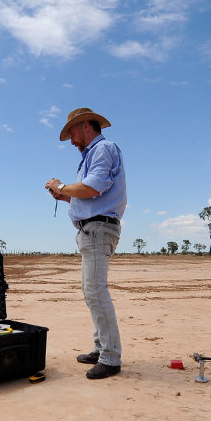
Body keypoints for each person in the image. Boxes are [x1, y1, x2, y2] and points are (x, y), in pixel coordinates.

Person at [45, 108, 127, 379]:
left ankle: (110, 358)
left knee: (95, 292)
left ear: (85, 127)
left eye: (71, 133)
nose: (71, 140)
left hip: (98, 229)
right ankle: (101, 347)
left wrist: (62, 186)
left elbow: (92, 188)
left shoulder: (103, 149)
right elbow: (93, 196)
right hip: (93, 229)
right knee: (91, 291)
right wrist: (67, 196)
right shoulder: (91, 155)